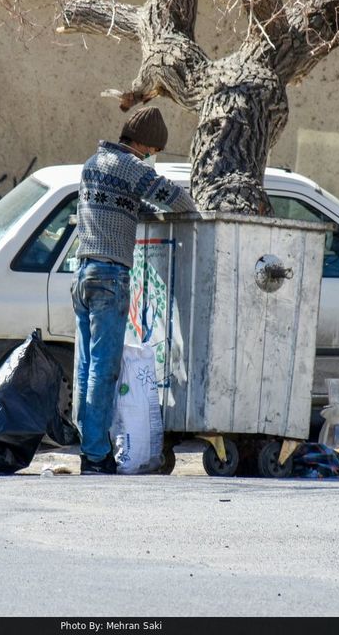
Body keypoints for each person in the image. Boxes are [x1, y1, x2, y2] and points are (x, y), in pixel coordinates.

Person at [72, 106, 196, 474]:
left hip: (82, 274)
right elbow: (177, 199)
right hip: (110, 275)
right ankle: (95, 455)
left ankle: (87, 444)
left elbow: (122, 206)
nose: (152, 157)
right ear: (143, 144)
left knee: (85, 367)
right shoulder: (132, 167)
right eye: (153, 150)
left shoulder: (94, 163)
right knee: (104, 369)